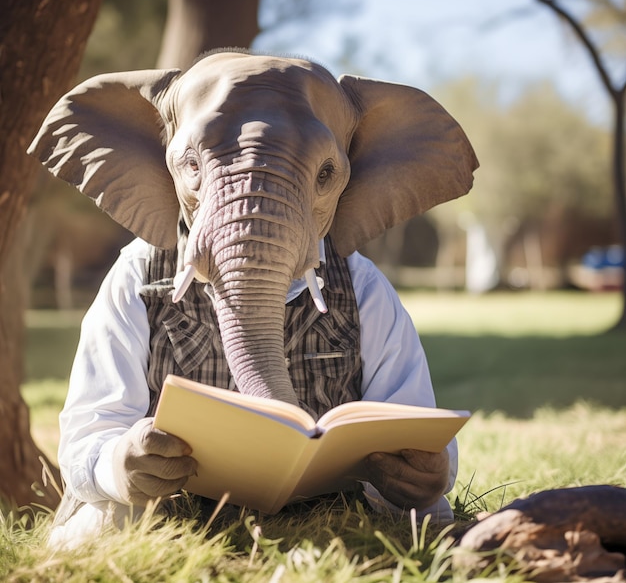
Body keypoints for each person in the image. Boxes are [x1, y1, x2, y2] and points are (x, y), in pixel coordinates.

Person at [48, 233, 457, 548]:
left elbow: (414, 423)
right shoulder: (139, 271)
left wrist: (425, 475)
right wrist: (119, 465)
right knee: (94, 529)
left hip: (322, 512)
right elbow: (88, 438)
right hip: (169, 508)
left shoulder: (361, 283)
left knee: (431, 526)